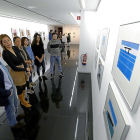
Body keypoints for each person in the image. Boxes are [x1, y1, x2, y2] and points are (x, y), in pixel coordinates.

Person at [0, 34, 31, 108]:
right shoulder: (5, 54)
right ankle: (22, 101)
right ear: (2, 44)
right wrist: (25, 69)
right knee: (19, 88)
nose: (8, 42)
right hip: (16, 72)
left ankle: (22, 100)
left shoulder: (15, 48)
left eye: (8, 40)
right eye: (5, 42)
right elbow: (14, 67)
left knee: (24, 85)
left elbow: (22, 60)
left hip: (23, 69)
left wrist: (27, 70)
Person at [0, 49, 25, 128]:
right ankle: (13, 124)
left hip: (11, 86)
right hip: (7, 90)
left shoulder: (0, 63)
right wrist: (6, 92)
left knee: (14, 103)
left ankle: (16, 116)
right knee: (10, 108)